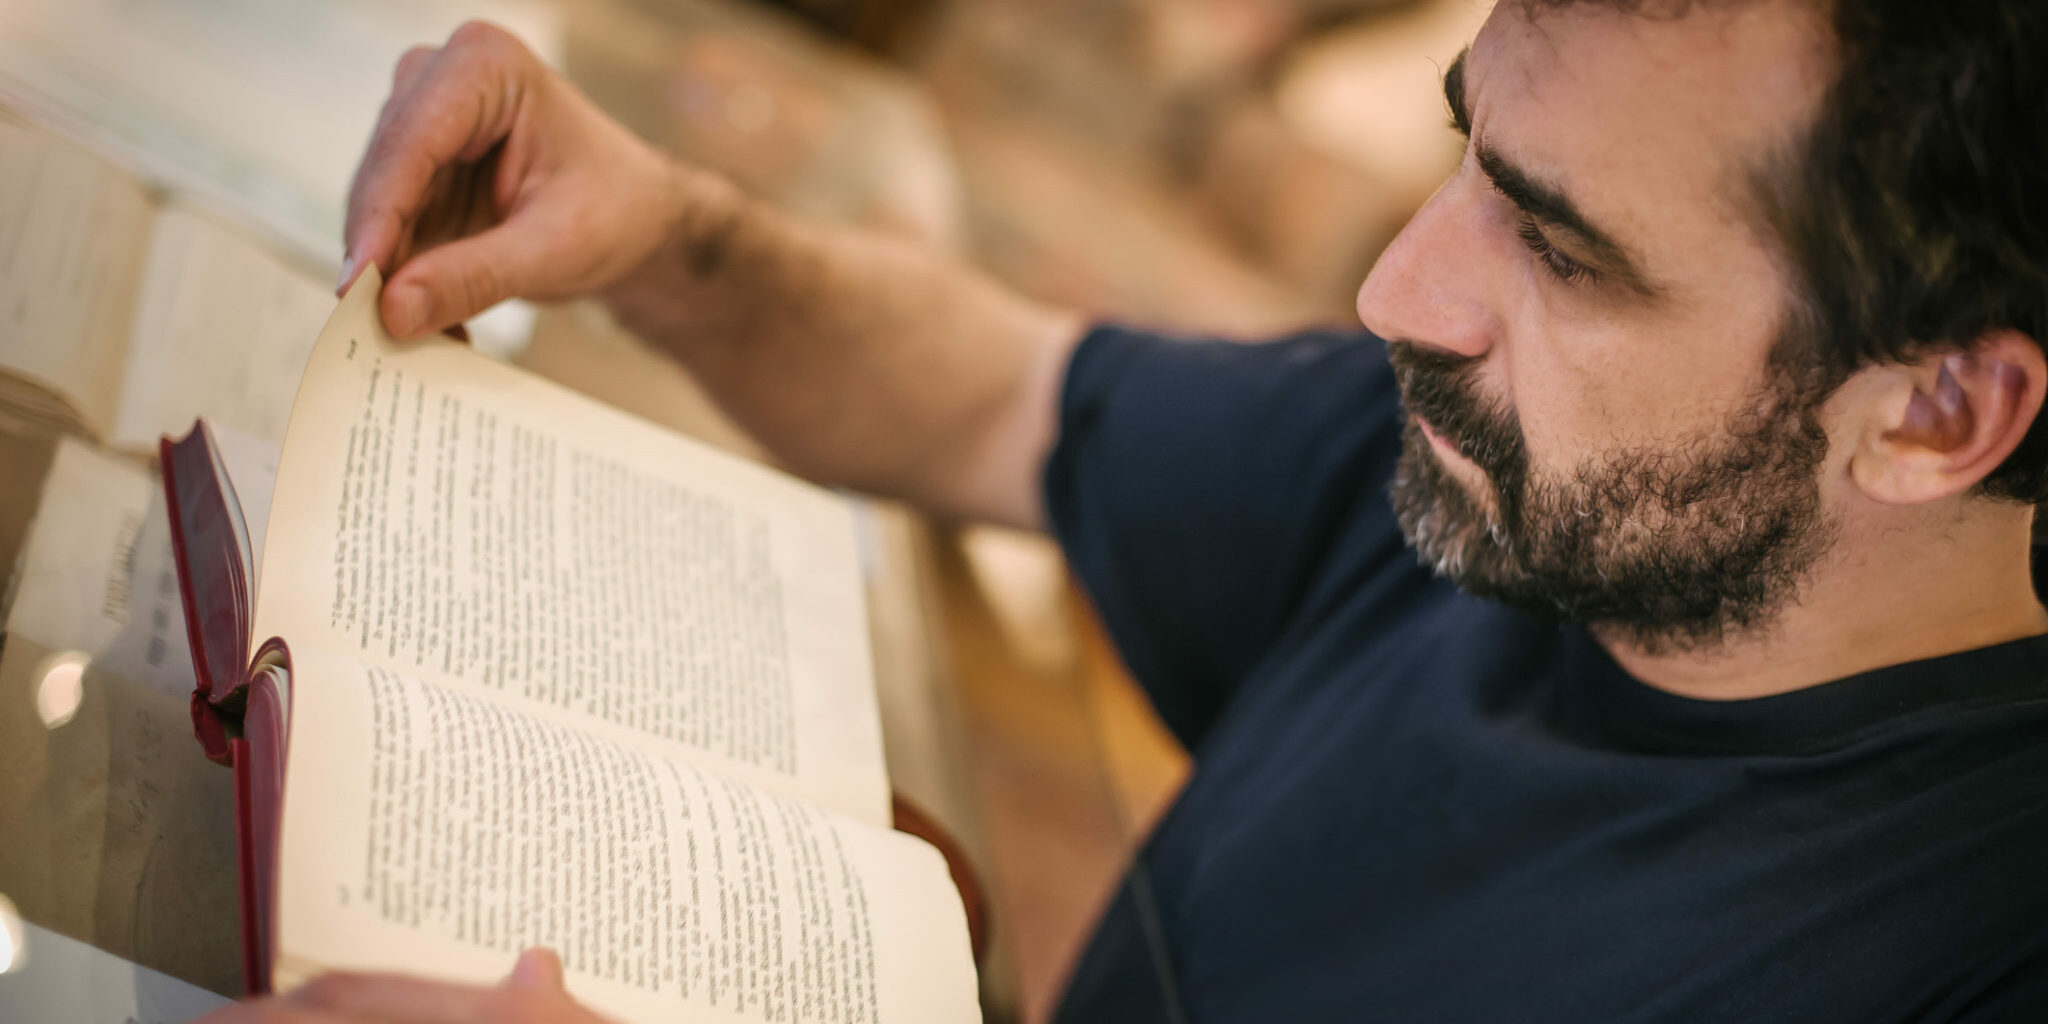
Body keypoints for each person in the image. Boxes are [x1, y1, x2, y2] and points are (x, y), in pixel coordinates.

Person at [203, 0, 2048, 1020]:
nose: (1398, 293)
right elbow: (1014, 397)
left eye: (1559, 249)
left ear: (1942, 409)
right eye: (1470, 159)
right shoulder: (1503, 476)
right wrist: (668, 238)